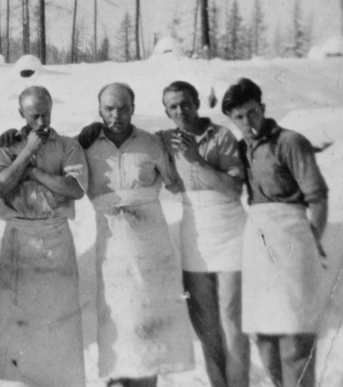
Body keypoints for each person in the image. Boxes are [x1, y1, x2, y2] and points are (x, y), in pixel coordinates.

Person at [80, 83, 193, 387]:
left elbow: (176, 184)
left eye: (123, 107)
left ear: (133, 107)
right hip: (112, 249)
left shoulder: (151, 143)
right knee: (118, 324)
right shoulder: (85, 145)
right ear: (99, 110)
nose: (116, 115)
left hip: (151, 247)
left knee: (148, 326)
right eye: (109, 108)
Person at [222, 78, 328, 387]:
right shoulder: (241, 149)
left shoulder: (290, 142)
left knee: (295, 339)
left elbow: (318, 197)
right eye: (238, 117)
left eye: (252, 113)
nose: (247, 122)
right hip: (259, 242)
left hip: (293, 238)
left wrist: (311, 242)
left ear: (263, 108)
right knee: (265, 337)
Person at [0, 86, 89, 387]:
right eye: (35, 115)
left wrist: (37, 175)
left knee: (60, 323)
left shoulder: (68, 144)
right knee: (17, 324)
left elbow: (76, 189)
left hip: (56, 237)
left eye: (47, 113)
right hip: (20, 238)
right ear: (22, 114)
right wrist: (28, 152)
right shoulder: (7, 146)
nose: (43, 121)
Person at [159, 81, 249, 387]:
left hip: (229, 233)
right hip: (194, 236)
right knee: (207, 325)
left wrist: (197, 159)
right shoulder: (165, 140)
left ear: (197, 103)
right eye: (173, 106)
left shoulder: (221, 135)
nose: (180, 110)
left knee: (232, 322)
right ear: (167, 112)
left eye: (186, 103)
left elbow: (234, 190)